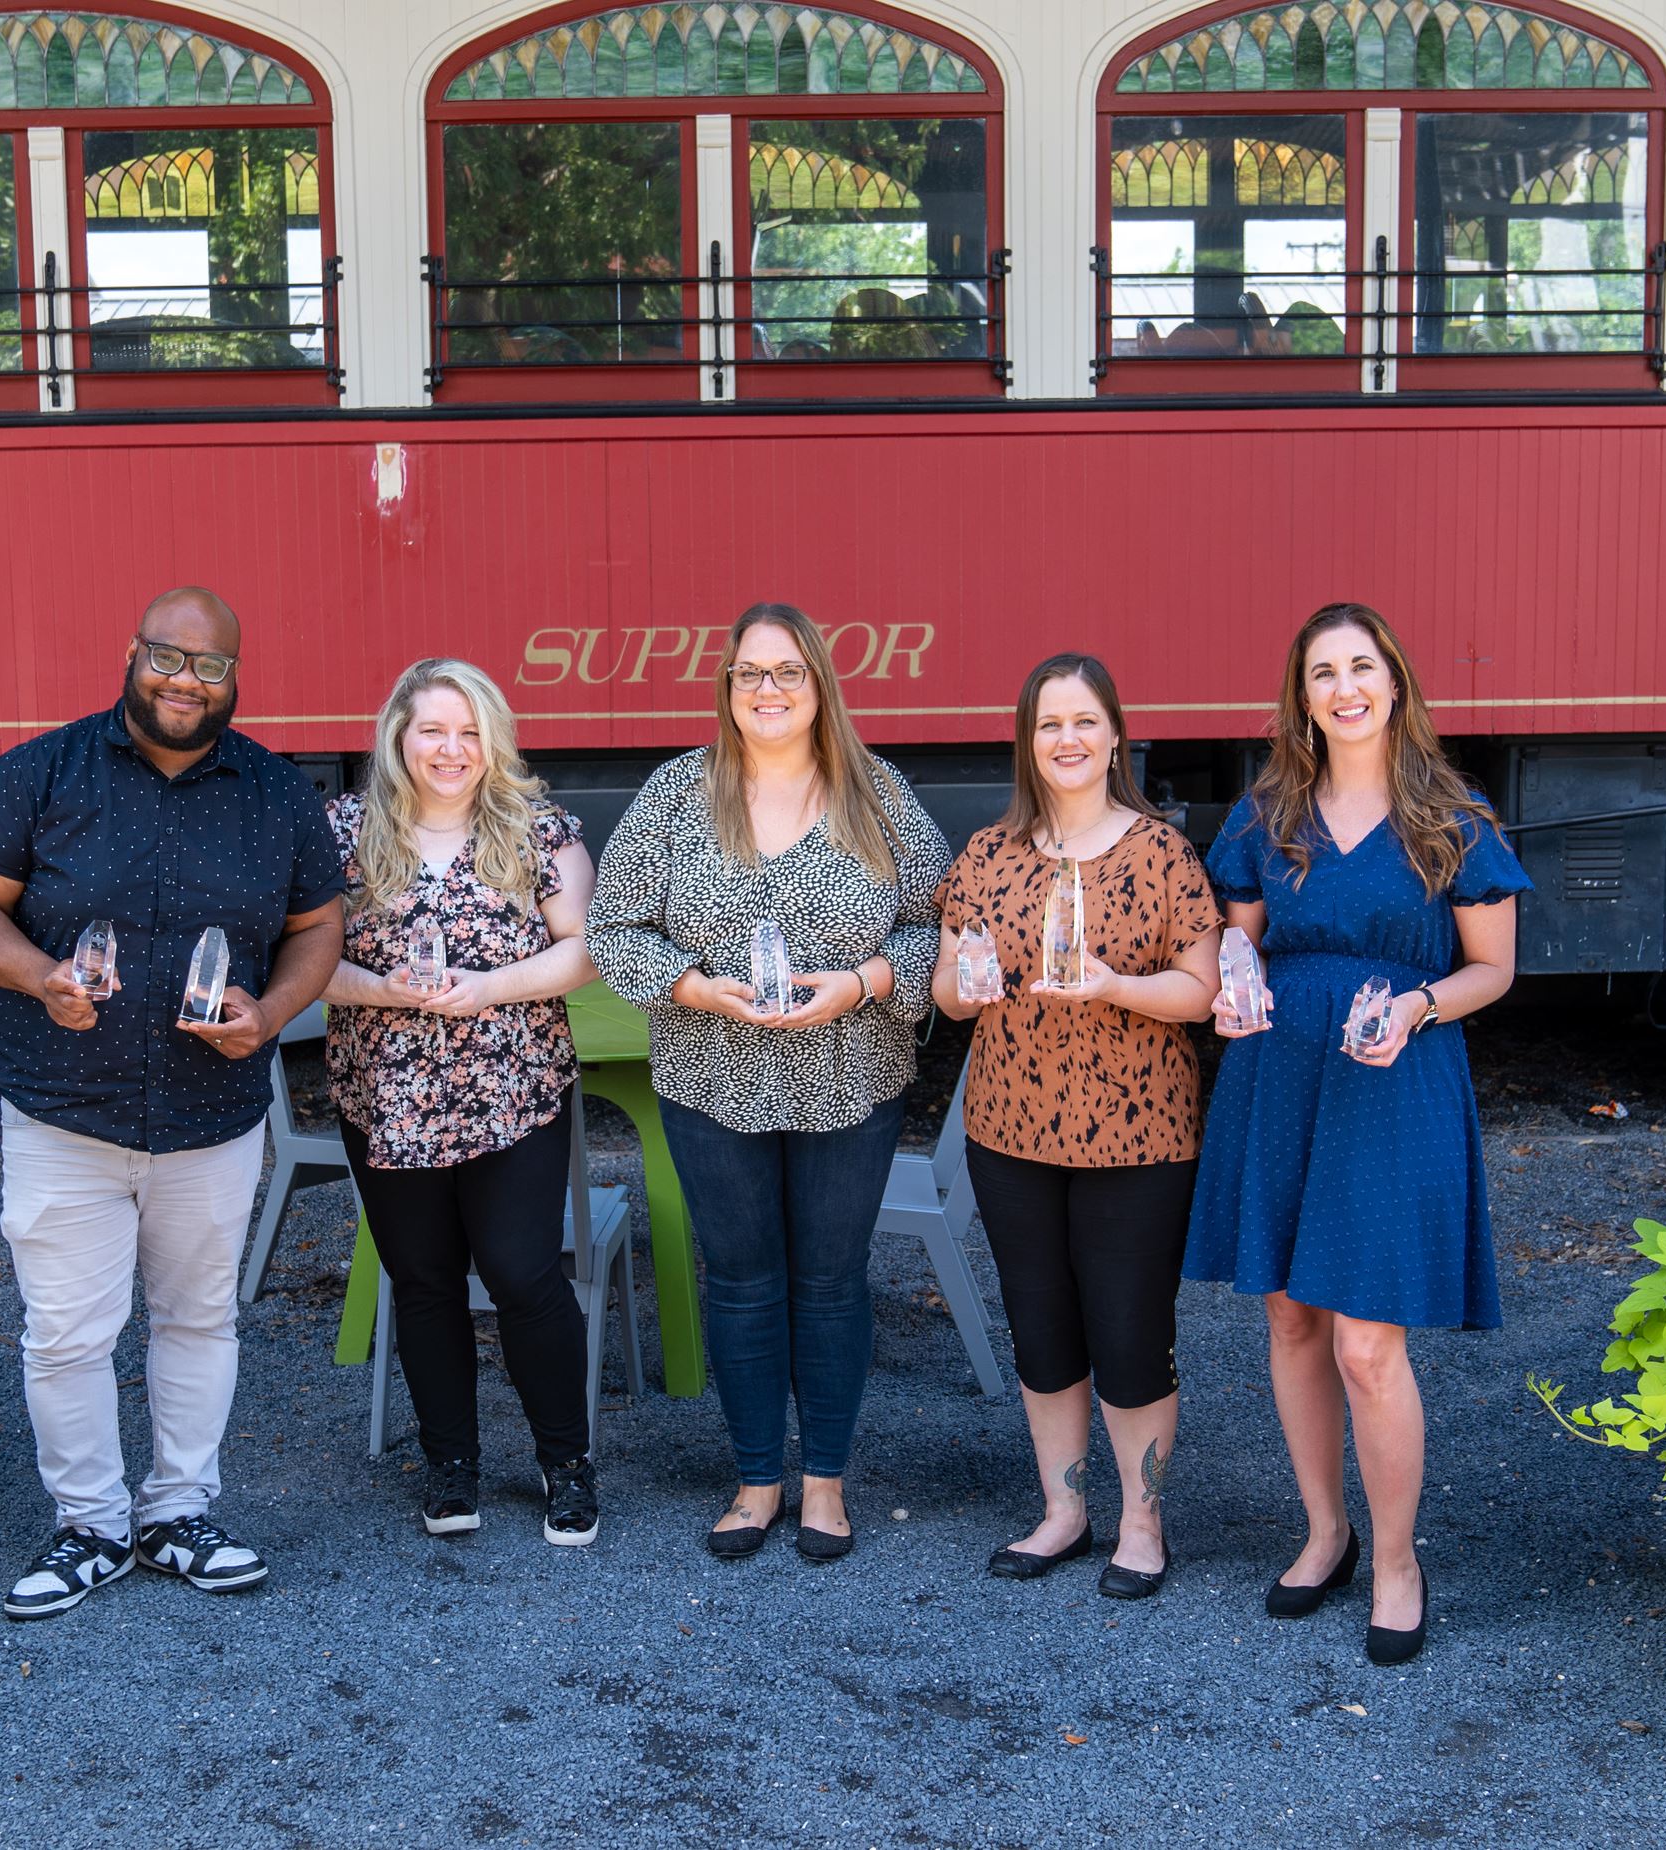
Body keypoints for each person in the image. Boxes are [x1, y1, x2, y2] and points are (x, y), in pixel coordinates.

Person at [0, 586, 345, 1621]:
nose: (185, 679)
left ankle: (177, 1510)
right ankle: (90, 1525)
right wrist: (39, 978)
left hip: (213, 1110)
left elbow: (316, 929)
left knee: (199, 1317)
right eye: (168, 656)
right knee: (67, 1333)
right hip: (63, 1106)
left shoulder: (277, 793)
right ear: (131, 653)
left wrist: (273, 1009)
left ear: (234, 678)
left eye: (210, 666)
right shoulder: (35, 773)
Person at [1181, 601, 1530, 1666]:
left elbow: (1491, 968)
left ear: (1393, 681)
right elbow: (1232, 947)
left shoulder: (1450, 815)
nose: (1342, 686)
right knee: (1290, 1319)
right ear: (1300, 695)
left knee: (1368, 1342)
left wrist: (1419, 1005)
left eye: (1360, 666)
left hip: (1392, 1075)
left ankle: (1393, 1558)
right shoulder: (1266, 810)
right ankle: (1322, 1530)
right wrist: (1229, 988)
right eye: (1321, 670)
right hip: (1279, 1073)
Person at [588, 603, 949, 1563]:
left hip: (851, 1074)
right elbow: (614, 928)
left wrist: (865, 983)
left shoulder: (876, 794)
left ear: (820, 683)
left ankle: (824, 1483)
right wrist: (693, 986)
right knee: (742, 1282)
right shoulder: (677, 796)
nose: (770, 690)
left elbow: (941, 927)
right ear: (727, 690)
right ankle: (755, 1480)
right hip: (711, 1076)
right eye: (750, 673)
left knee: (830, 1283)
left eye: (788, 671)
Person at [932, 654, 1219, 1600]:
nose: (1067, 739)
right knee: (1043, 1334)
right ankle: (1063, 1510)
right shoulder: (986, 854)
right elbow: (949, 992)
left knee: (1132, 1338)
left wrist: (1115, 985)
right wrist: (965, 986)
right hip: (1011, 1132)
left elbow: (1200, 990)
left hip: (1138, 1139)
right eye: (1050, 723)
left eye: (1085, 722)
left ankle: (1144, 1522)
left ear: (1114, 737)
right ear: (1028, 739)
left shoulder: (1162, 853)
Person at [322, 659, 602, 1546]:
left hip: (510, 1090)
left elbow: (583, 952)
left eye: (469, 731)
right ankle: (452, 1467)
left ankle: (566, 1464)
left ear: (494, 740)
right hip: (388, 1094)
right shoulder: (341, 833)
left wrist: (490, 988)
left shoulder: (538, 830)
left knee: (523, 1275)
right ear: (398, 737)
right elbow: (307, 968)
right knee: (426, 1282)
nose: (452, 749)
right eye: (433, 730)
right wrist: (387, 992)